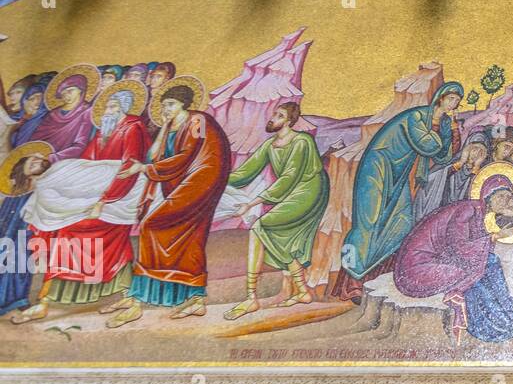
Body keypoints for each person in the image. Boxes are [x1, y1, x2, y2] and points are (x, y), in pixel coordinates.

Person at [12, 81, 148, 323]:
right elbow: (86, 162)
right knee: (60, 230)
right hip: (96, 193)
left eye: (114, 105)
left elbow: (129, 168)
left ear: (124, 107)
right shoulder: (104, 130)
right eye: (107, 105)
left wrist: (103, 201)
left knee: (69, 231)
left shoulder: (133, 128)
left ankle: (51, 300)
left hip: (119, 194)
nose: (107, 109)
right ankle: (47, 300)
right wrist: (73, 183)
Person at [103, 80, 231, 327]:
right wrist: (163, 130)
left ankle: (139, 300)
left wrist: (146, 168)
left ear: (184, 103)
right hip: (182, 184)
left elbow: (186, 156)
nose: (166, 110)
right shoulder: (171, 127)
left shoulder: (198, 122)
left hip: (201, 182)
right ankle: (191, 299)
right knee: (188, 239)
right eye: (164, 106)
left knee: (152, 226)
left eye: (171, 104)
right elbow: (154, 156)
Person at [341, 82, 463, 293]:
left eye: (457, 102)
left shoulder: (443, 123)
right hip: (379, 165)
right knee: (369, 220)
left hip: (399, 174)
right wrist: (442, 133)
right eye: (451, 99)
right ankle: (352, 280)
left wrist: (452, 128)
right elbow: (427, 145)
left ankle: (376, 275)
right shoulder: (416, 117)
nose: (454, 104)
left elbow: (444, 155)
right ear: (441, 98)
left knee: (402, 221)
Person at [222, 102, 330, 321]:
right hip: (292, 192)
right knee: (280, 238)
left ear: (289, 121)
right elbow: (245, 172)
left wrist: (251, 204)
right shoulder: (271, 145)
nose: (272, 118)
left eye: (279, 115)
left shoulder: (302, 141)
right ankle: (302, 292)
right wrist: (216, 176)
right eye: (274, 114)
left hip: (310, 190)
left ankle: (251, 298)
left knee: (259, 227)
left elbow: (289, 178)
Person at [393, 177, 513, 344]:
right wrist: (496, 236)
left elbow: (478, 252)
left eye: (508, 198)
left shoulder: (478, 213)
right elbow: (458, 247)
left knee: (491, 262)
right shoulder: (467, 209)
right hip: (418, 269)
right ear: (487, 195)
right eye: (500, 196)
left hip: (440, 262)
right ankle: (489, 327)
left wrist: (494, 237)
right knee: (474, 275)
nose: (504, 201)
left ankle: (509, 319)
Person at [0, 143, 49, 315]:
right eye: (32, 161)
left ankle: (19, 299)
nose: (37, 161)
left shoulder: (42, 188)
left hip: (28, 231)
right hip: (9, 230)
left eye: (39, 160)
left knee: (22, 262)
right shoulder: (14, 193)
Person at [414, 130, 490, 221]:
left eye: (481, 151)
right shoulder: (452, 164)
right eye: (474, 149)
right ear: (467, 148)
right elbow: (432, 177)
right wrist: (458, 164)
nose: (476, 153)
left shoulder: (479, 173)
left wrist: (475, 170)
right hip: (441, 204)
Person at [31, 66, 99, 160]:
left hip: (64, 160)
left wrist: (54, 157)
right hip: (40, 156)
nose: (66, 95)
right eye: (63, 94)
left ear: (80, 89)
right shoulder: (52, 114)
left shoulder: (87, 112)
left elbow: (80, 145)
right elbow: (36, 137)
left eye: (70, 91)